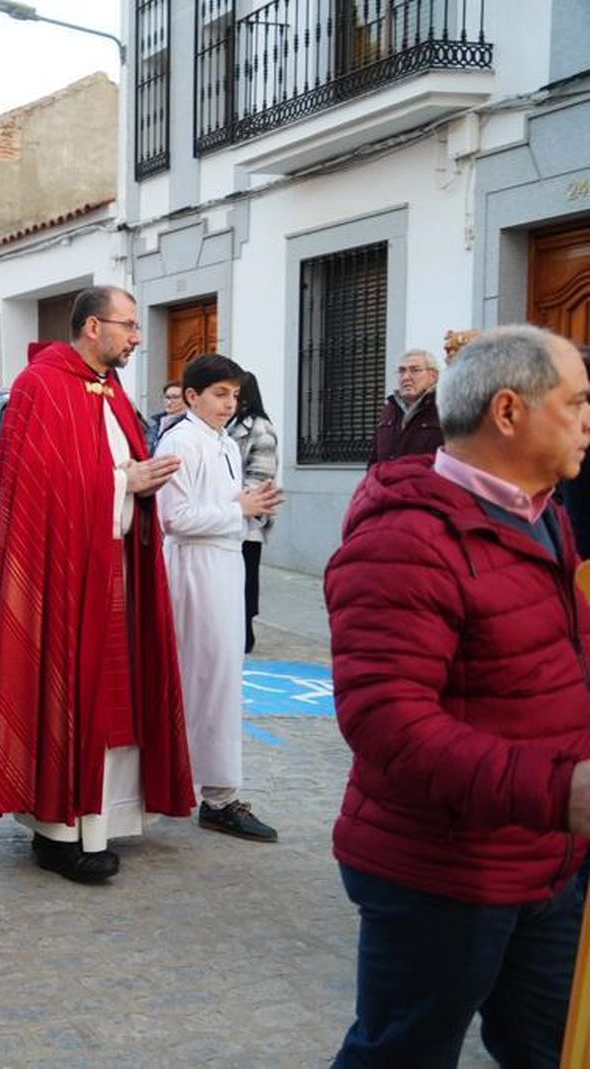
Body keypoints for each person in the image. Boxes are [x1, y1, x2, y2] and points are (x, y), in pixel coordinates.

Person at [326, 324, 590, 1066]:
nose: (588, 420)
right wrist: (561, 790)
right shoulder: (404, 539)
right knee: (401, 1053)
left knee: (551, 1050)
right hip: (442, 869)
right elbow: (388, 723)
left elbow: (553, 659)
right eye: (576, 402)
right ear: (508, 411)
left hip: (544, 857)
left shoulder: (542, 512)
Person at [0, 286, 196, 884]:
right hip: (62, 572)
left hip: (114, 565)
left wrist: (133, 481)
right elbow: (40, 485)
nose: (137, 336)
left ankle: (104, 818)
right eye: (127, 325)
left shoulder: (109, 390)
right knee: (66, 687)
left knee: (114, 694)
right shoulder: (41, 386)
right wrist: (124, 482)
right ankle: (58, 833)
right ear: (91, 327)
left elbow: (102, 466)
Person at [155, 354, 283, 842]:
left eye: (234, 395)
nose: (229, 404)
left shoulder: (225, 442)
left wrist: (253, 509)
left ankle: (215, 791)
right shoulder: (180, 441)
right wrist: (239, 509)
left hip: (226, 564)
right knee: (202, 680)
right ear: (192, 396)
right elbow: (175, 517)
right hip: (195, 569)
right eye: (219, 394)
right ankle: (210, 793)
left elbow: (223, 507)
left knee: (223, 680)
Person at [227, 371, 278, 653]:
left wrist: (236, 505)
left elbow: (260, 477)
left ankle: (245, 634)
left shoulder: (260, 429)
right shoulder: (227, 425)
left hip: (248, 519)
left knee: (246, 579)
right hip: (228, 517)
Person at [368, 348, 443, 465]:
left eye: (415, 370)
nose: (406, 377)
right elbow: (374, 460)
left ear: (433, 376)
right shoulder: (389, 409)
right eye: (401, 371)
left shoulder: (444, 409)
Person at [145, 380, 184, 452]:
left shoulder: (188, 424)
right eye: (167, 397)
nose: (169, 402)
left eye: (175, 397)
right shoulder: (156, 426)